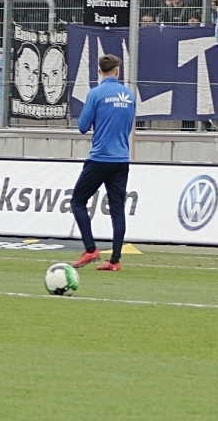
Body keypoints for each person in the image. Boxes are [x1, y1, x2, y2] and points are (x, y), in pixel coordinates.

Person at [70, 53, 135, 272]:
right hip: (122, 159)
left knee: (78, 201)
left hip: (99, 158)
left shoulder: (95, 94)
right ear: (117, 71)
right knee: (118, 210)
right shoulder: (129, 95)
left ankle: (91, 249)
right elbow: (127, 126)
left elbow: (82, 126)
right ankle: (115, 261)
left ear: (99, 71)